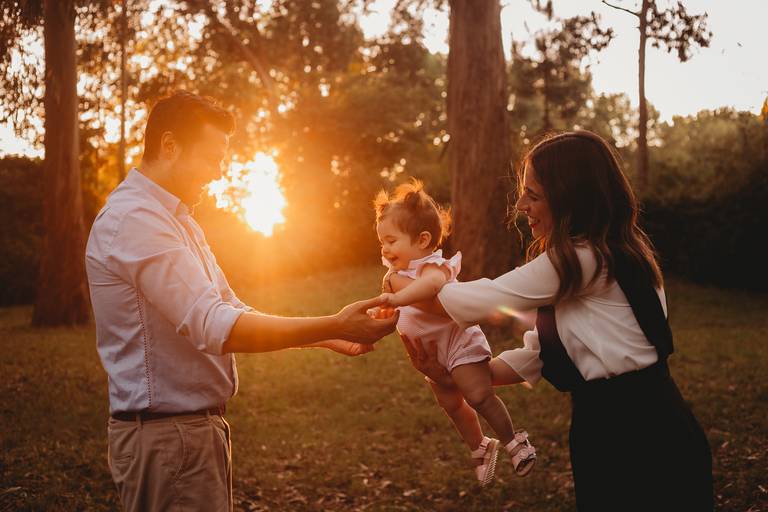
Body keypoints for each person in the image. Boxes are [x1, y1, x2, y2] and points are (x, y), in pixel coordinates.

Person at [85, 91, 398, 512]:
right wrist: (335, 324)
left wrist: (325, 338)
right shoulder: (136, 221)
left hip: (190, 436)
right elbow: (217, 326)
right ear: (171, 146)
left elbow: (232, 309)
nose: (218, 172)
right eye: (212, 157)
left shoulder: (179, 221)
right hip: (168, 441)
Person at [399, 131, 713, 511]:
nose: (520, 205)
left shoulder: (581, 259)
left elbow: (471, 300)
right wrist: (460, 373)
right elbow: (543, 351)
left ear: (569, 198)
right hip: (634, 422)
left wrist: (404, 283)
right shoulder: (614, 252)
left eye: (533, 195)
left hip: (635, 433)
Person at [373, 180, 536, 487]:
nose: (385, 248)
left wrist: (396, 296)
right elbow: (398, 306)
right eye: (382, 241)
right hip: (432, 353)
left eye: (392, 240)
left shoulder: (432, 267)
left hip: (457, 344)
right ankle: (480, 446)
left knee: (478, 395)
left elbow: (431, 289)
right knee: (451, 404)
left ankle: (515, 441)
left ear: (422, 240)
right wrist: (382, 311)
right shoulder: (396, 275)